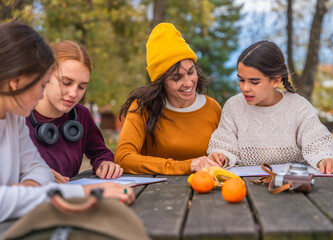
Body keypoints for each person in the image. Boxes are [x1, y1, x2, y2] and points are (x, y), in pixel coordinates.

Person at [0, 22, 134, 222]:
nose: (41, 95)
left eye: (81, 86)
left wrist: (23, 192)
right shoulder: (21, 115)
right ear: (16, 82)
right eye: (42, 85)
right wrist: (85, 192)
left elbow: (38, 170)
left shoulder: (14, 118)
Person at [207, 40, 333, 174]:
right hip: (246, 186)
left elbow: (317, 142)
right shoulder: (233, 106)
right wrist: (221, 157)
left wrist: (327, 158)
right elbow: (224, 146)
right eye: (241, 80)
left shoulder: (298, 106)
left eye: (254, 82)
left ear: (276, 80)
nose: (245, 88)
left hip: (293, 184)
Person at [114, 23, 222, 175]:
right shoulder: (142, 108)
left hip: (208, 190)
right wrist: (187, 165)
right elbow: (123, 158)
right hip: (155, 193)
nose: (188, 82)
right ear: (161, 82)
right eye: (177, 78)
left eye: (191, 72)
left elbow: (226, 152)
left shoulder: (213, 108)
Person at [26, 40, 123, 183]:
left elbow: (100, 153)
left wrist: (105, 163)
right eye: (66, 83)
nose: (74, 93)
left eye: (82, 87)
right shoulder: (14, 115)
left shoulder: (82, 115)